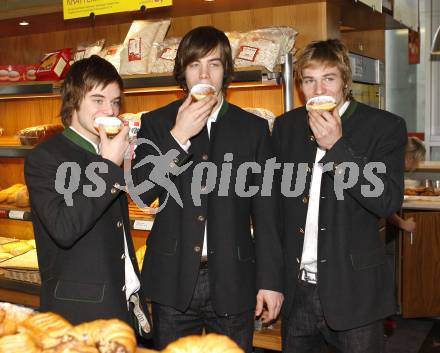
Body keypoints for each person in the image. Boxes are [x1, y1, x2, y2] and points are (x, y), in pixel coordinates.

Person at [131, 26, 283, 353]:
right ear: (182, 72)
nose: (204, 74)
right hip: (172, 281)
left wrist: (270, 281)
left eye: (213, 64)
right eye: (194, 64)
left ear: (226, 71)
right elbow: (142, 193)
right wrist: (177, 138)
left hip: (234, 279)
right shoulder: (157, 124)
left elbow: (267, 213)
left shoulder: (253, 129)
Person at [272, 39, 407, 353]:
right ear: (300, 86)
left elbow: (387, 201)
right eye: (309, 80)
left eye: (328, 78)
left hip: (355, 292)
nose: (319, 89)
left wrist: (338, 148)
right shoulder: (286, 127)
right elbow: (273, 207)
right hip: (297, 290)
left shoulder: (384, 127)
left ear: (346, 82)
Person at [24, 55, 151, 335]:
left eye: (115, 101)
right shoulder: (45, 158)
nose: (110, 109)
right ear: (74, 100)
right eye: (98, 99)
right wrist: (107, 167)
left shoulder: (109, 152)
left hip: (120, 309)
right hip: (78, 318)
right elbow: (64, 228)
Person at [388, 136, 426, 232]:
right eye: (416, 161)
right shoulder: (390, 169)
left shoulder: (392, 166)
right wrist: (404, 224)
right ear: (409, 157)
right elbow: (383, 206)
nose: (416, 165)